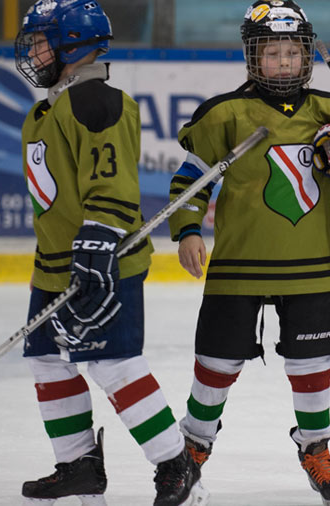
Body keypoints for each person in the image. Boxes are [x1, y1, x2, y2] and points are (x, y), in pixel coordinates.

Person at [166, 1, 330, 505]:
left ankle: (316, 448)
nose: (285, 62)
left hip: (313, 264)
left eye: (293, 52)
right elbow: (190, 180)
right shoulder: (224, 113)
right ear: (253, 58)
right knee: (216, 361)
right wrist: (187, 230)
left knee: (311, 363)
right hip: (239, 262)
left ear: (308, 56)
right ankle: (192, 449)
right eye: (273, 53)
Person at [14, 1, 201, 504]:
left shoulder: (97, 101)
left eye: (41, 41)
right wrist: (48, 263)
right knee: (47, 360)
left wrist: (98, 243)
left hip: (103, 261)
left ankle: (176, 464)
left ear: (71, 44)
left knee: (114, 364)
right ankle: (78, 465)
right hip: (57, 266)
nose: (33, 52)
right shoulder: (47, 110)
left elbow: (112, 183)